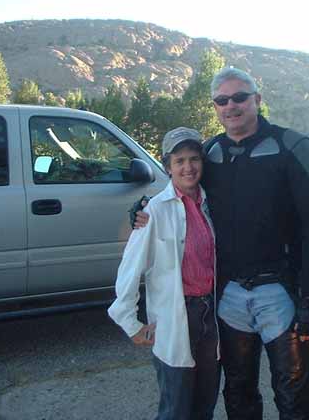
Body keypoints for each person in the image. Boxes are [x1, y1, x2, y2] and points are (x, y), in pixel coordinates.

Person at [135, 67, 309, 420]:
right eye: (222, 100)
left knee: (295, 396)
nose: (231, 106)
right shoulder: (211, 152)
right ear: (215, 106)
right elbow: (182, 189)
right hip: (230, 296)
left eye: (239, 97)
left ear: (257, 99)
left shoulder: (292, 147)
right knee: (238, 392)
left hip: (281, 293)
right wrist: (143, 209)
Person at [109, 127, 220, 420]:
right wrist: (130, 322)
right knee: (176, 408)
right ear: (168, 166)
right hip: (176, 316)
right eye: (179, 160)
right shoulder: (154, 211)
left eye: (194, 159)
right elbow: (130, 267)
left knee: (205, 404)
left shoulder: (212, 204)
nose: (188, 167)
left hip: (211, 316)